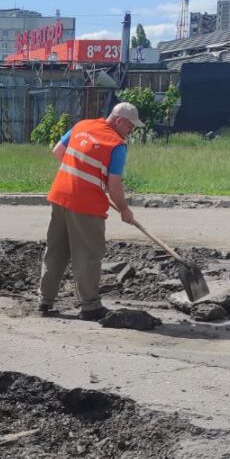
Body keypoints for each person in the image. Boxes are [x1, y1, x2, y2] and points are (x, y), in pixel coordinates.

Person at [38, 101, 145, 321]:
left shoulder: (82, 125)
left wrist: (83, 174)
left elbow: (58, 151)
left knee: (56, 250)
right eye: (130, 126)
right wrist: (124, 210)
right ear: (119, 121)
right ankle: (90, 307)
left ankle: (44, 301)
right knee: (88, 254)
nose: (131, 131)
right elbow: (114, 185)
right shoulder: (116, 145)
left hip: (60, 195)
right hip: (86, 205)